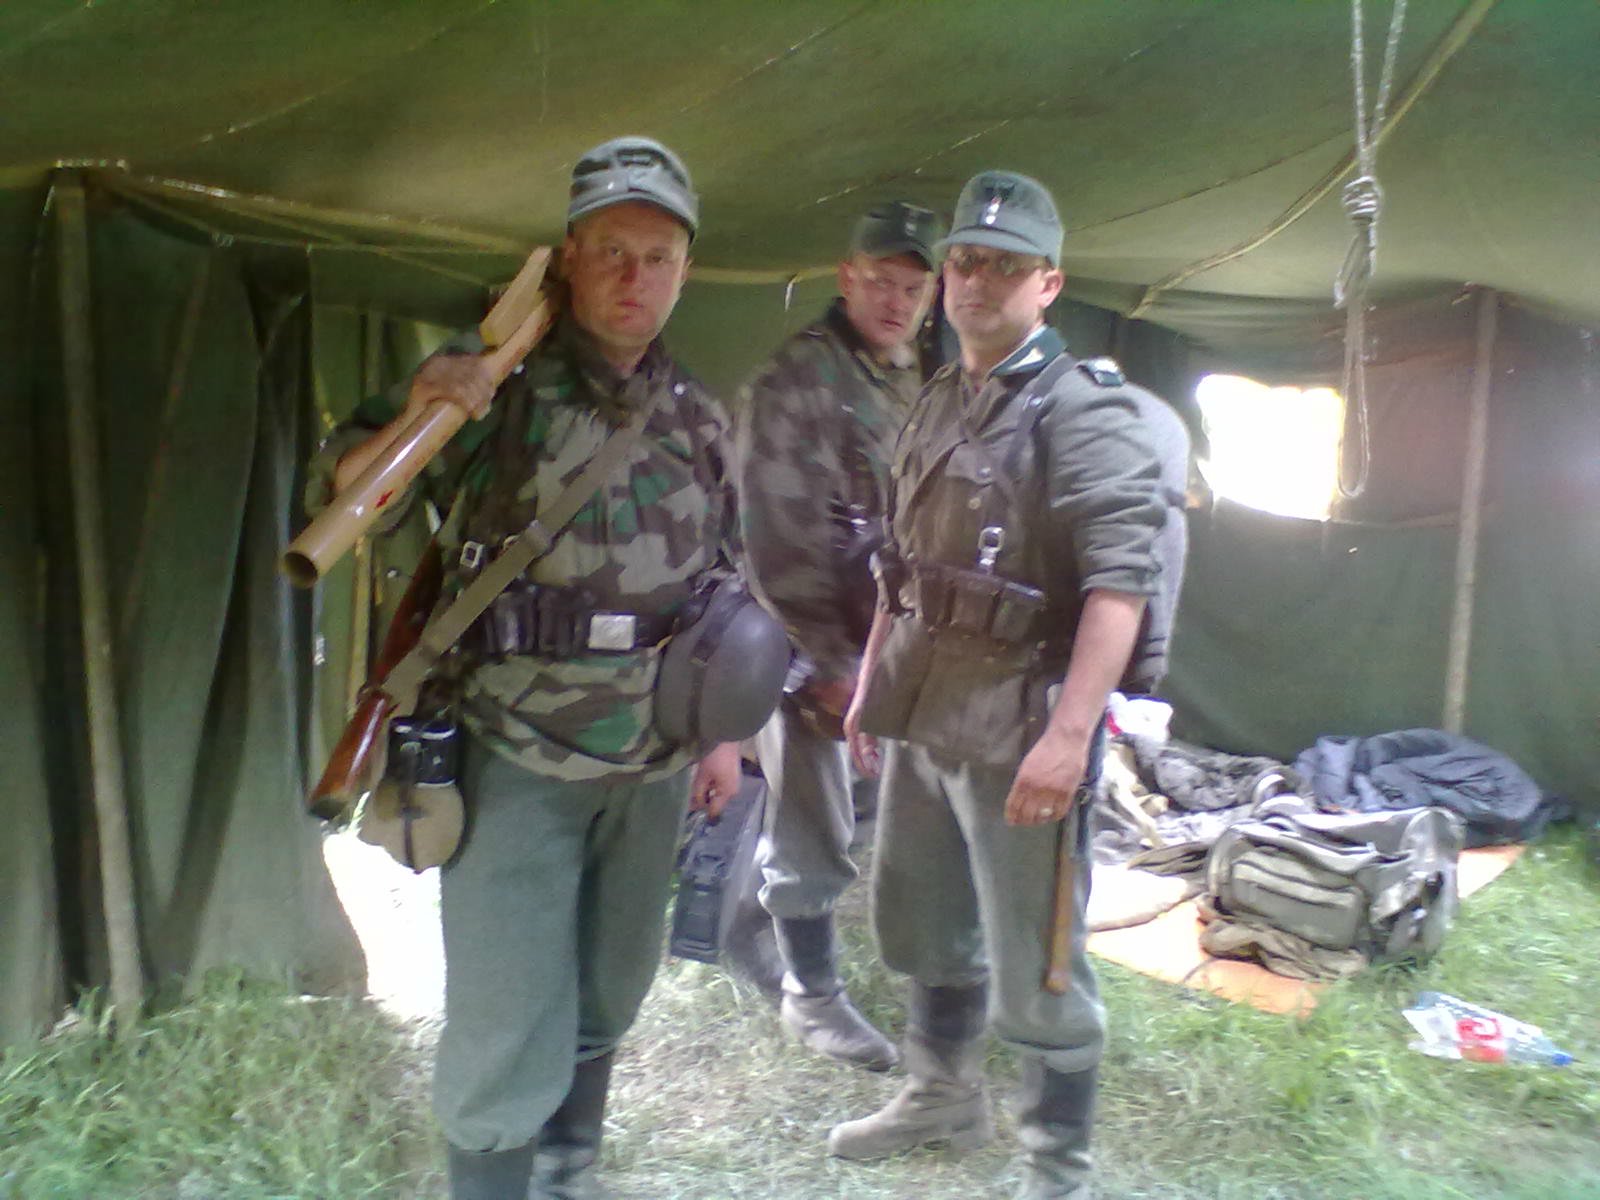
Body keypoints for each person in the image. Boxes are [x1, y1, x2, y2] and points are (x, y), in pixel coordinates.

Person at [308, 137, 743, 1200]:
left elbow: (725, 584)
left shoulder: (698, 414)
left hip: (653, 755)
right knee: (506, 1015)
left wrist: (723, 737)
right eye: (612, 252)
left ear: (685, 269)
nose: (634, 277)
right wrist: (423, 405)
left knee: (612, 986)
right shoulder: (493, 388)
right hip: (519, 753)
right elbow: (349, 498)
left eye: (657, 257)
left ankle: (568, 1170)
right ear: (569, 257)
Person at [832, 170, 1189, 1199]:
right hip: (924, 703)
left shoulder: (1085, 412)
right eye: (964, 260)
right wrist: (868, 686)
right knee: (920, 921)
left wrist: (1070, 739)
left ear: (1049, 285)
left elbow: (1121, 586)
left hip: (1022, 719)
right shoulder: (940, 396)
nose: (977, 281)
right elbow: (900, 565)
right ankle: (941, 1094)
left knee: (1038, 961)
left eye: (1005, 265)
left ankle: (1055, 1168)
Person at [735, 202, 943, 1072]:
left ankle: (746, 927)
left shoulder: (918, 376)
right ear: (846, 278)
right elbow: (773, 540)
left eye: (913, 288)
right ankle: (811, 999)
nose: (896, 302)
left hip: (884, 635)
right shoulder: (798, 380)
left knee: (840, 811)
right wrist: (826, 663)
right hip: (805, 640)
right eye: (881, 282)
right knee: (815, 817)